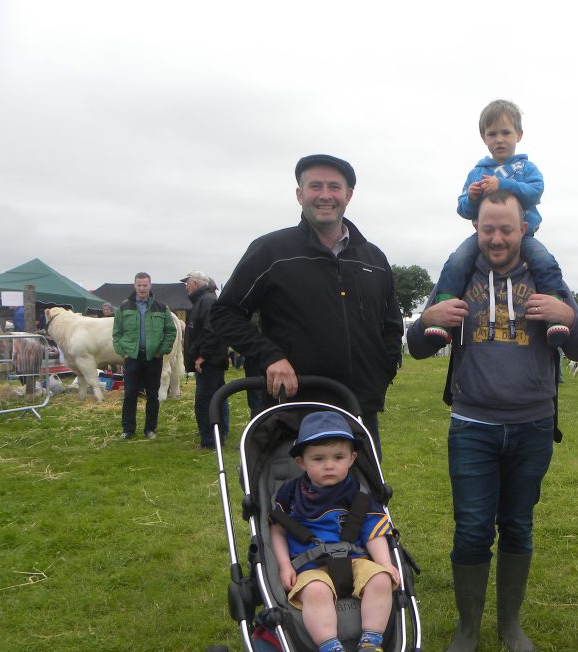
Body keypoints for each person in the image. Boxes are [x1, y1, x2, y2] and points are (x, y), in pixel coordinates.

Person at [406, 190, 578, 652]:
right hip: (472, 425)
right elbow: (418, 348)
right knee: (470, 530)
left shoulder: (545, 278)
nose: (497, 238)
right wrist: (427, 318)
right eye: (488, 229)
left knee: (517, 525)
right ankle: (468, 629)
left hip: (532, 426)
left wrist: (568, 316)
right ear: (476, 229)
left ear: (524, 228)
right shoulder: (460, 276)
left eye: (506, 229)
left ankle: (509, 622)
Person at [211, 155, 403, 459]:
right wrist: (271, 356)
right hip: (293, 411)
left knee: (365, 502)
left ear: (348, 195)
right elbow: (223, 313)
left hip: (358, 410)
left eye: (334, 187)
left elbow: (391, 324)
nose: (325, 195)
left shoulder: (373, 259)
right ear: (300, 194)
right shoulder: (271, 251)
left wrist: (383, 370)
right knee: (291, 504)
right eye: (315, 186)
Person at [423, 99, 568, 348]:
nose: (499, 139)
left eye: (506, 132)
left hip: (525, 236)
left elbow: (536, 192)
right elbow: (464, 210)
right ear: (483, 138)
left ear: (519, 135)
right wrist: (471, 196)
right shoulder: (477, 172)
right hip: (485, 237)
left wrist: (504, 185)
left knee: (545, 261)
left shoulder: (526, 167)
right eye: (492, 134)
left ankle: (554, 312)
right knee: (457, 260)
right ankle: (442, 312)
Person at [270, 411, 399, 652]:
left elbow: (374, 531)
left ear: (352, 459)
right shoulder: (290, 494)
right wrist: (284, 564)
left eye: (338, 458)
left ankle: (370, 647)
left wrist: (385, 563)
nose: (329, 466)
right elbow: (277, 529)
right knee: (315, 591)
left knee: (380, 579)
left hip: (355, 560)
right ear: (301, 462)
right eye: (318, 459)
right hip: (310, 567)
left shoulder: (357, 493)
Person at [112, 272, 177, 440]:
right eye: (139, 285)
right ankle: (128, 430)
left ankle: (150, 429)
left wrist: (161, 350)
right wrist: (122, 351)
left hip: (153, 358)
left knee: (152, 395)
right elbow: (116, 333)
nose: (142, 288)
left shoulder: (161, 308)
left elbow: (171, 331)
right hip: (132, 358)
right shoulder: (124, 307)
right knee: (130, 395)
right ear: (134, 286)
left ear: (150, 286)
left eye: (145, 285)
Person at [182, 271, 229, 448]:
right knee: (218, 397)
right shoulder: (204, 300)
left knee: (205, 401)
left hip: (210, 362)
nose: (186, 286)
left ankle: (210, 440)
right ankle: (220, 433)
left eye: (187, 283)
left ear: (195, 284)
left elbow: (212, 331)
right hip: (212, 360)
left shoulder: (207, 301)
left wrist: (202, 356)